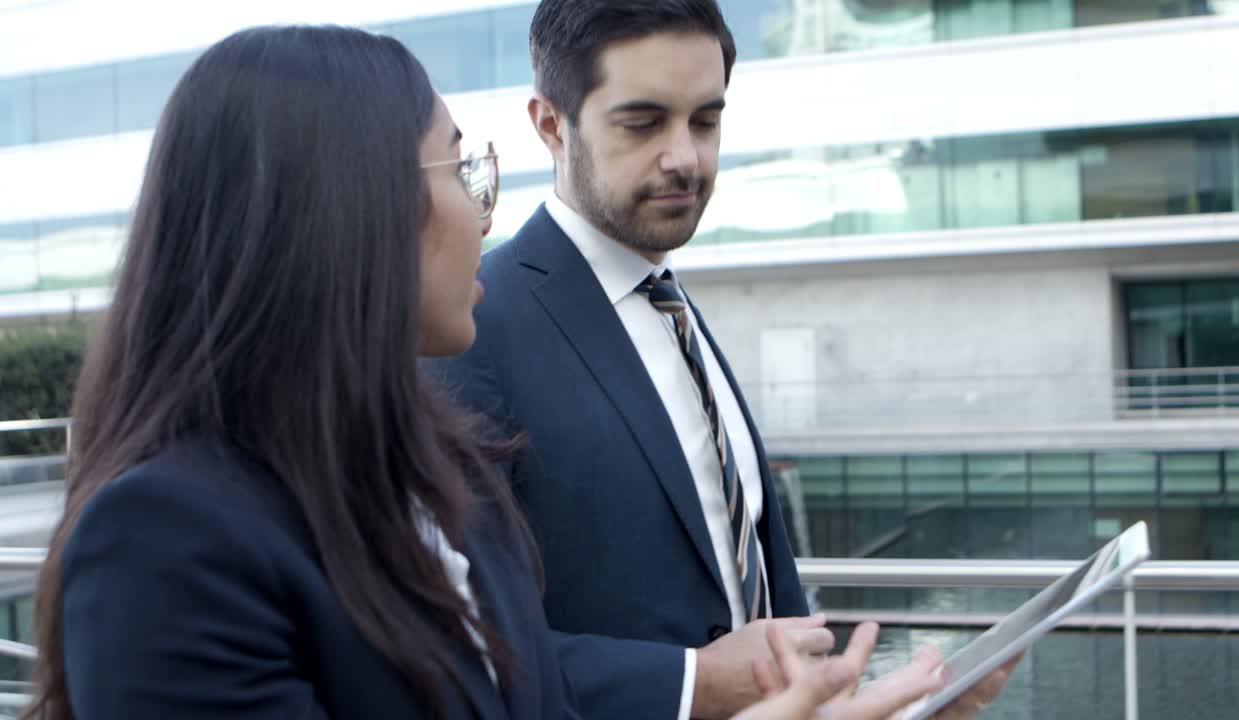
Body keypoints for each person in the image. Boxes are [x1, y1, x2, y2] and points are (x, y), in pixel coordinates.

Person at [17, 21, 973, 720]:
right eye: (462, 172)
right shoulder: (166, 540)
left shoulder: (455, 487)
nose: (485, 213)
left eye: (707, 119)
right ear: (344, 215)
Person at [431, 1, 1014, 718]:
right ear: (551, 124)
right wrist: (693, 682)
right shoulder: (473, 330)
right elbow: (462, 651)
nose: (687, 157)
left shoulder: (673, 310)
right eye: (644, 123)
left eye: (706, 120)